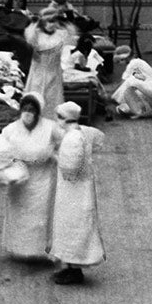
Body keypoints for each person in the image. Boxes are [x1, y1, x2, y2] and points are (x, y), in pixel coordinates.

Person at [0, 94, 59, 261]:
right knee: (20, 215)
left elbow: (63, 145)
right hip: (20, 178)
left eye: (31, 110)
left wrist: (55, 157)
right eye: (25, 109)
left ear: (38, 112)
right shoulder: (11, 129)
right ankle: (20, 249)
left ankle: (42, 251)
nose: (27, 113)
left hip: (43, 178)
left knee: (41, 218)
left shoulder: (51, 128)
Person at [49, 101, 105, 284]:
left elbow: (70, 170)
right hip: (77, 190)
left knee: (73, 227)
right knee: (71, 226)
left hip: (74, 192)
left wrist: (54, 156)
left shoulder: (72, 138)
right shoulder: (82, 132)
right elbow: (99, 138)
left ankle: (74, 269)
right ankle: (70, 266)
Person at [22, 14, 73, 119]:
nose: (50, 24)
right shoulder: (35, 34)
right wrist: (35, 22)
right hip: (38, 72)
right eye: (48, 21)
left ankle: (51, 121)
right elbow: (29, 38)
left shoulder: (61, 34)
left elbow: (72, 35)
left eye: (53, 21)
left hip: (54, 71)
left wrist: (64, 21)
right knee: (36, 94)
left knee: (52, 97)